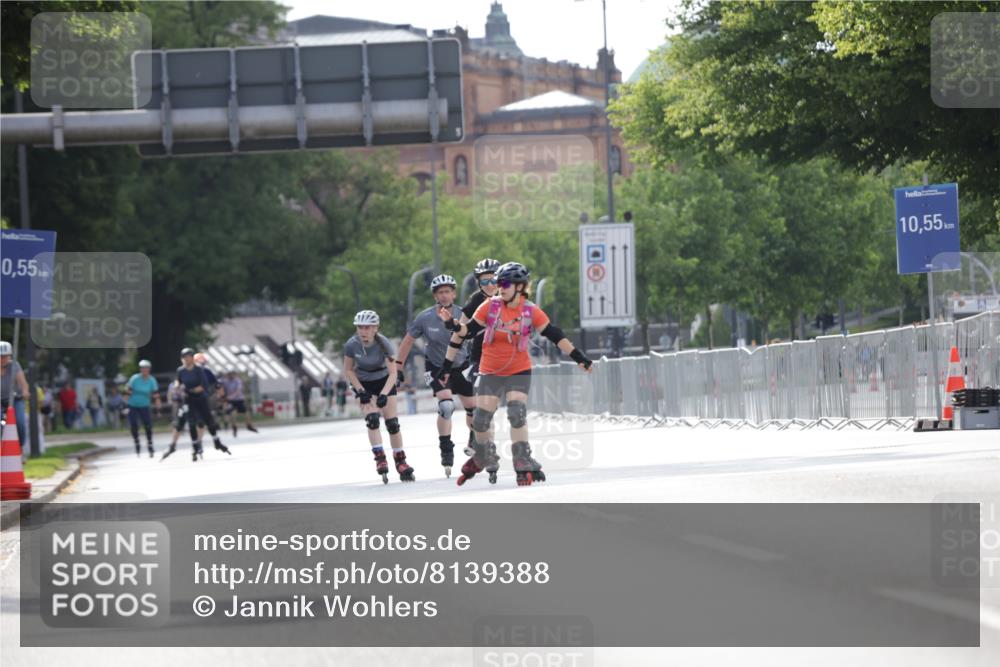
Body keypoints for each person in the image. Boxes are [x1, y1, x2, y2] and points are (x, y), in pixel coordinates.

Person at [437, 261, 593, 486]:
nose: (500, 287)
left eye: (505, 283)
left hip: (518, 370)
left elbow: (554, 334)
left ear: (520, 286)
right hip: (490, 371)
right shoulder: (489, 306)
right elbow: (468, 332)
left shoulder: (530, 311)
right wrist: (452, 324)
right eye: (499, 282)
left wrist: (579, 357)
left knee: (516, 412)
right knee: (480, 421)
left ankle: (521, 457)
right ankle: (483, 453)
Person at [396, 274, 475, 477]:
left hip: (461, 366)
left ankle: (474, 439)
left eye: (448, 291)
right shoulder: (425, 317)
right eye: (440, 292)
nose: (444, 295)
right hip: (437, 368)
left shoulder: (464, 314)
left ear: (454, 293)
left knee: (474, 410)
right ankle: (446, 449)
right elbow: (407, 341)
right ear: (435, 296)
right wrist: (398, 366)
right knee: (446, 405)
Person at [342, 310, 414, 483]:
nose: (362, 331)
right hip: (363, 383)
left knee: (393, 424)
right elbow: (348, 370)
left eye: (367, 327)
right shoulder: (351, 345)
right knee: (373, 420)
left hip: (384, 380)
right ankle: (380, 458)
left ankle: (400, 460)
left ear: (375, 328)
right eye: (360, 327)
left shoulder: (385, 344)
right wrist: (360, 391)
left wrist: (383, 394)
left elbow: (393, 373)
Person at [176, 347, 230, 461]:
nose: (187, 359)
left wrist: (198, 389)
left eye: (189, 357)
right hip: (188, 399)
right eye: (184, 357)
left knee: (208, 420)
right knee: (191, 423)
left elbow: (206, 385)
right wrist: (178, 387)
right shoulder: (181, 371)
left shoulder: (200, 370)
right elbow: (179, 382)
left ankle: (216, 441)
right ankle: (195, 446)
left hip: (201, 398)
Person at [124, 360, 161, 457]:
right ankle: (136, 442)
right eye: (142, 368)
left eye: (146, 368)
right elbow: (128, 392)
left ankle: (150, 444)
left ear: (149, 369)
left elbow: (156, 395)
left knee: (148, 425)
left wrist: (158, 409)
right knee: (134, 425)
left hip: (145, 405)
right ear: (140, 369)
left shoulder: (152, 380)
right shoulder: (135, 379)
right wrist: (125, 405)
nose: (144, 370)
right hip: (133, 405)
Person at [0, 341, 30, 449]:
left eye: (5, 356)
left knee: (20, 422)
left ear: (9, 356)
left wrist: (25, 391)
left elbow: (22, 382)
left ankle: (20, 447)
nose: (2, 359)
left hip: (15, 399)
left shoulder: (14, 365)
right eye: (0, 356)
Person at [221, 370, 258, 437]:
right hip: (230, 401)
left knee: (246, 412)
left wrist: (230, 397)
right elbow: (220, 386)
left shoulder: (237, 381)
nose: (230, 376)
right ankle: (234, 427)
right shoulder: (225, 381)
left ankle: (249, 425)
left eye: (232, 374)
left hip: (238, 399)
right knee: (232, 414)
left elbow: (238, 390)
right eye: (229, 374)